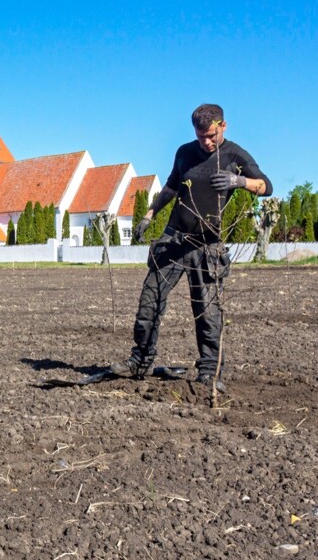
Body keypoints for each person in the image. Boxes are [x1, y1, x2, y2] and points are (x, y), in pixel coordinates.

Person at [110, 104, 272, 393]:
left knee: (207, 311)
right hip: (173, 240)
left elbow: (266, 186)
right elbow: (171, 188)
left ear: (223, 126)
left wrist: (239, 181)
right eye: (200, 136)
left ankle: (209, 371)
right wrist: (148, 215)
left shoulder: (235, 155)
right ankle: (139, 361)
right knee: (150, 301)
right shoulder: (184, 152)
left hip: (207, 245)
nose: (206, 142)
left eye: (211, 136)